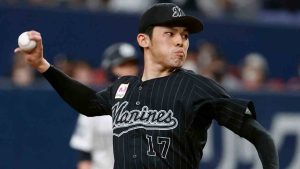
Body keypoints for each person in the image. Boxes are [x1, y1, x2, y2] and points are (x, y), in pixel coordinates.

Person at [15, 3, 279, 169]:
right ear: (144, 40)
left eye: (184, 36)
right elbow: (89, 103)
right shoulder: (124, 89)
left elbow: (261, 136)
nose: (180, 42)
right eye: (170, 33)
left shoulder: (197, 87)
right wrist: (42, 66)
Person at [69, 42, 139, 169]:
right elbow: (84, 156)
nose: (130, 69)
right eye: (123, 64)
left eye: (132, 64)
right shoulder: (95, 105)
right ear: (109, 68)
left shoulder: (146, 104)